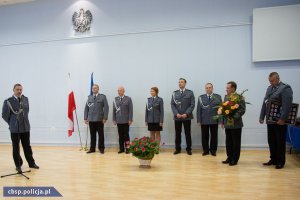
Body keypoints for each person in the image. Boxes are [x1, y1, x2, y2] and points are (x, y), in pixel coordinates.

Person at [2, 84, 39, 173]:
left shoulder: (25, 99)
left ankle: (31, 163)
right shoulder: (8, 101)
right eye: (17, 89)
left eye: (20, 89)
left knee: (27, 146)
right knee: (16, 147)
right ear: (13, 90)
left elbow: (26, 112)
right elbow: (4, 115)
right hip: (15, 128)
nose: (19, 91)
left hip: (25, 127)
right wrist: (12, 123)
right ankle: (18, 165)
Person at [259, 72, 293, 169]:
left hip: (279, 121)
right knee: (271, 141)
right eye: (270, 81)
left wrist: (283, 118)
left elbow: (287, 105)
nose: (271, 83)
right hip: (270, 120)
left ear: (278, 78)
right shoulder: (269, 88)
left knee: (280, 141)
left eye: (273, 81)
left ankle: (280, 161)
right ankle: (273, 159)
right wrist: (262, 116)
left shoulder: (285, 88)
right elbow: (265, 102)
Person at [222, 81, 246, 166]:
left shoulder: (239, 97)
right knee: (228, 142)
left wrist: (233, 116)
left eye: (228, 88)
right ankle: (229, 157)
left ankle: (235, 159)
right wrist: (223, 121)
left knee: (236, 142)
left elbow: (242, 110)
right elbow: (223, 110)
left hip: (236, 124)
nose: (226, 89)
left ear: (233, 88)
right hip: (227, 124)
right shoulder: (225, 97)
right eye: (226, 88)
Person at [171, 78, 195, 155]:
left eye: (181, 82)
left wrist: (186, 113)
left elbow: (192, 104)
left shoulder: (190, 93)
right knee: (177, 133)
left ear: (185, 83)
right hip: (177, 117)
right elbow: (172, 104)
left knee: (187, 133)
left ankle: (189, 149)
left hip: (187, 117)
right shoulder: (175, 93)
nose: (180, 83)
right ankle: (177, 149)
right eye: (179, 82)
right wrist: (176, 113)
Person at [197, 83, 222, 156]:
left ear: (212, 88)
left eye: (210, 87)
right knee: (204, 136)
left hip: (214, 120)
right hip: (204, 120)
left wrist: (220, 120)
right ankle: (205, 150)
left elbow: (220, 109)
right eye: (207, 88)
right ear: (205, 89)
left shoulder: (218, 97)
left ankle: (213, 151)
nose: (208, 89)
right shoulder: (201, 97)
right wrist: (199, 120)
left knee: (214, 136)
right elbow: (199, 110)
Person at [84, 84, 109, 154]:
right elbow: (86, 108)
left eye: (95, 88)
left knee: (101, 134)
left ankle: (101, 148)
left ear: (98, 89)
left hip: (99, 119)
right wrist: (85, 118)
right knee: (92, 135)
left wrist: (105, 117)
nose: (94, 89)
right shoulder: (89, 97)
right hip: (91, 119)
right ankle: (92, 148)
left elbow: (106, 108)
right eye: (93, 88)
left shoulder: (103, 97)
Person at [113, 86, 133, 154]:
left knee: (126, 135)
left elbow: (130, 110)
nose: (119, 92)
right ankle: (121, 149)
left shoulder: (128, 99)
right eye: (118, 90)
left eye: (120, 90)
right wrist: (114, 119)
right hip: (118, 120)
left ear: (124, 91)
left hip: (126, 120)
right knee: (120, 135)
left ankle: (127, 148)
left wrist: (130, 119)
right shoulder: (115, 99)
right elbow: (114, 110)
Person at [145, 87, 164, 152]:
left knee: (157, 134)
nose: (151, 92)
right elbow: (146, 111)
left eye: (153, 91)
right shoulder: (148, 100)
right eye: (151, 91)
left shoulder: (160, 100)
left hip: (157, 120)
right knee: (151, 134)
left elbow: (162, 111)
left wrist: (161, 121)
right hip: (150, 120)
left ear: (156, 92)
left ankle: (157, 148)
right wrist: (146, 120)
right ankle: (152, 148)